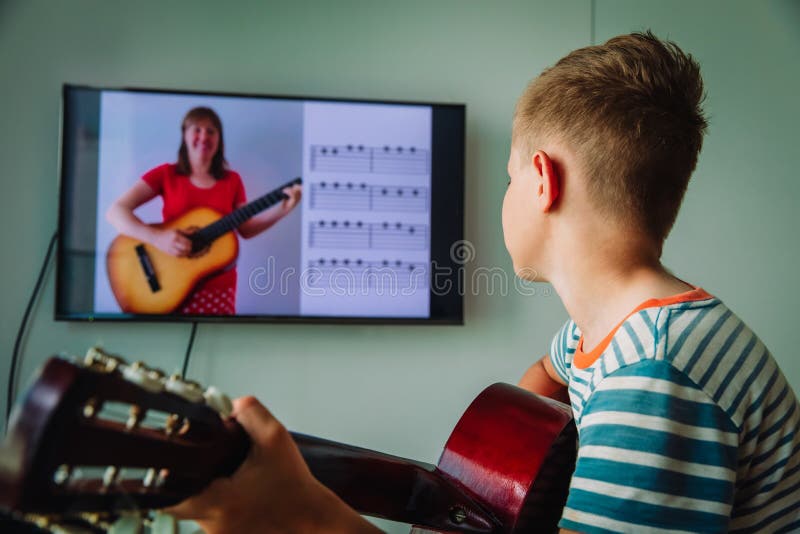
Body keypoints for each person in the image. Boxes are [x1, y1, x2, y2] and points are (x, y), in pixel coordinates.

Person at [167, 32, 800, 532]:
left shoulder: (654, 377)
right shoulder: (606, 329)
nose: (506, 193)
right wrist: (509, 484)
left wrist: (303, 517)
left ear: (543, 180)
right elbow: (543, 383)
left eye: (508, 176)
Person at [106, 106, 302, 315]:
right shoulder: (166, 174)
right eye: (197, 129)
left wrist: (283, 210)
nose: (204, 136)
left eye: (211, 131)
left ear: (219, 139)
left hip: (220, 291)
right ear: (185, 135)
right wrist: (156, 238)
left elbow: (245, 229)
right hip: (170, 290)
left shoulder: (232, 180)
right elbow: (115, 212)